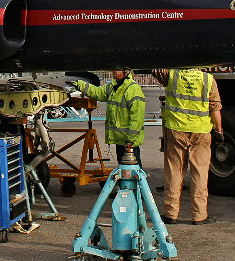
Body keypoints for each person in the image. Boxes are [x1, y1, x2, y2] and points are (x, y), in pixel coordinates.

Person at [154, 68, 223, 225]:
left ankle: (171, 214)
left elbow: (155, 68)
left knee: (174, 172)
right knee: (199, 173)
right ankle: (199, 215)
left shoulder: (172, 75)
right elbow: (215, 108)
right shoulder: (208, 79)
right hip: (201, 132)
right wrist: (219, 130)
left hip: (176, 130)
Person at [73, 70, 146, 166]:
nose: (113, 71)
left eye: (116, 69)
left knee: (133, 171)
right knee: (124, 170)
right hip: (120, 140)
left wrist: (130, 141)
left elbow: (137, 118)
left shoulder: (133, 89)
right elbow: (97, 92)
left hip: (129, 143)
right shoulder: (113, 87)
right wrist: (79, 84)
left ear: (126, 72)